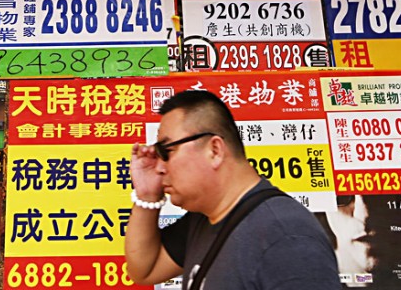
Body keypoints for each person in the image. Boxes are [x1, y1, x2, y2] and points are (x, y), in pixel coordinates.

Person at [124, 89, 341, 289]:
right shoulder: (202, 220)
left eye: (167, 150)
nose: (160, 167)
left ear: (215, 150)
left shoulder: (286, 237)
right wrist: (147, 195)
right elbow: (145, 269)